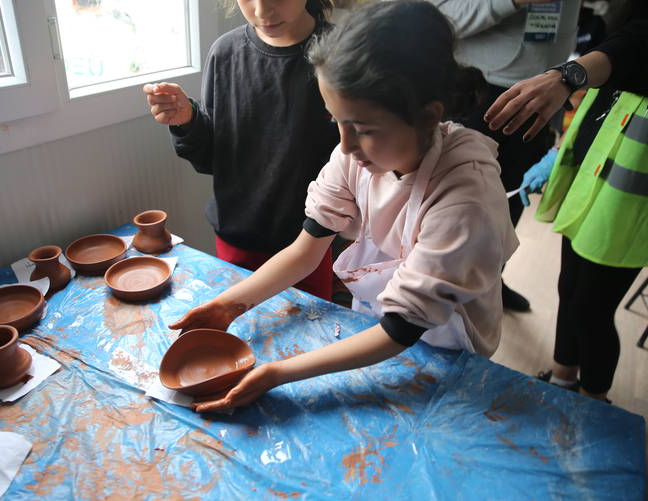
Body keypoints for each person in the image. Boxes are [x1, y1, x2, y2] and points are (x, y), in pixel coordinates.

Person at [169, 0, 519, 412]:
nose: (347, 147)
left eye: (365, 130)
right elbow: (305, 251)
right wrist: (230, 304)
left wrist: (278, 373)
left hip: (446, 342)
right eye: (337, 122)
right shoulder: (354, 156)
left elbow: (401, 329)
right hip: (377, 328)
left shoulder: (465, 196)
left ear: (428, 117)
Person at [484, 4, 647, 402]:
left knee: (593, 307)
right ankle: (561, 378)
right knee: (570, 287)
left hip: (628, 201)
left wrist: (568, 75)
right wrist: (560, 152)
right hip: (593, 173)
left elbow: (636, 44)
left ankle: (594, 404)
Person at [143, 0, 339, 301]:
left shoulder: (341, 54)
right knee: (237, 330)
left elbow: (356, 158)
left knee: (311, 335)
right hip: (237, 237)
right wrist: (188, 120)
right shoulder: (225, 53)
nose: (261, 11)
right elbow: (211, 159)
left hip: (311, 241)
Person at [425, 0, 582, 312]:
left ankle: (489, 282)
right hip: (474, 88)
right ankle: (432, 290)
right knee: (449, 201)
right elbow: (437, 15)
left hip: (545, 90)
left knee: (509, 199)